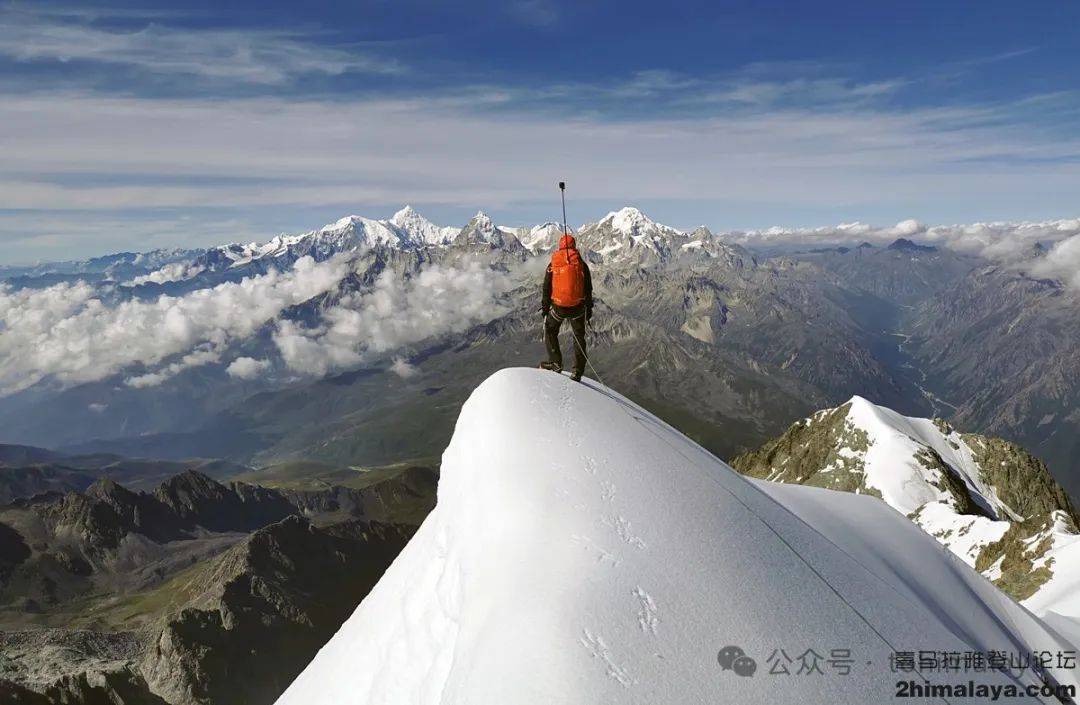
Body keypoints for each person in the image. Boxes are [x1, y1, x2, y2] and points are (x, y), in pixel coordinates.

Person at [540, 233, 593, 381]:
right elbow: (588, 289)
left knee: (550, 330)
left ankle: (556, 363)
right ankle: (577, 372)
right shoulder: (582, 264)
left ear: (560, 246)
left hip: (558, 307)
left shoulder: (553, 264)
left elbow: (546, 288)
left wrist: (545, 309)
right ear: (574, 246)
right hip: (578, 308)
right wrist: (588, 310)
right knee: (579, 338)